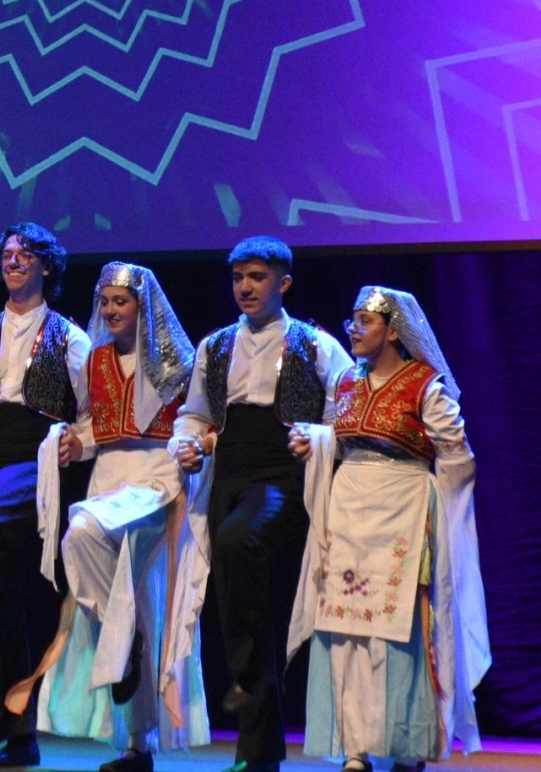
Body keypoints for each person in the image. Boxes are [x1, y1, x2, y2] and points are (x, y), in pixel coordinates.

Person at [171, 236, 352, 772]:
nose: (245, 288)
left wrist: (316, 437)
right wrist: (187, 441)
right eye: (238, 278)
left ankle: (249, 678)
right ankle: (258, 749)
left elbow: (349, 410)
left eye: (257, 277)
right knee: (232, 588)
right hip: (229, 472)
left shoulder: (315, 345)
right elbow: (195, 414)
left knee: (239, 543)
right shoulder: (215, 346)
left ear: (284, 283)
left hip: (283, 476)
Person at [287, 287, 488, 772]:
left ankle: (406, 744)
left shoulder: (425, 386)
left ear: (393, 331)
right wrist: (314, 441)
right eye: (352, 320)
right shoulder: (346, 382)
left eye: (365, 321)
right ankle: (355, 747)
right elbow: (339, 437)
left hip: (402, 508)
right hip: (348, 508)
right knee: (344, 623)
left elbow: (457, 455)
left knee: (397, 627)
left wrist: (441, 511)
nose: (354, 329)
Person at [38, 263, 210, 772]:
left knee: (140, 593)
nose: (111, 311)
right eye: (106, 302)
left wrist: (195, 450)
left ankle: (140, 732)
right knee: (91, 552)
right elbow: (95, 425)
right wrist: (76, 443)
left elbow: (198, 421)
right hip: (110, 479)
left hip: (157, 481)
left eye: (121, 301)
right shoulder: (95, 361)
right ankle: (133, 735)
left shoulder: (178, 361)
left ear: (143, 307)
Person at [0, 222, 91, 768]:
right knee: (8, 600)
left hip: (37, 461)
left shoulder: (71, 338)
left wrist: (79, 442)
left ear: (47, 267)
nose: (13, 261)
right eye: (7, 254)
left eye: (25, 254)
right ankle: (19, 738)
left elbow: (92, 414)